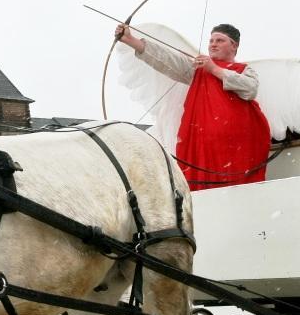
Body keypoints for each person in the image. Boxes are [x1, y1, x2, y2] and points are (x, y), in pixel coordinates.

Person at [115, 23, 271, 191]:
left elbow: (250, 89)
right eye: (211, 40)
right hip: (201, 147)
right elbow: (168, 60)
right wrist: (131, 41)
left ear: (234, 45)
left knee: (239, 193)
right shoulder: (198, 70)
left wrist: (214, 69)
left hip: (238, 149)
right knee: (202, 194)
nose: (213, 44)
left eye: (220, 40)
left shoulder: (243, 70)